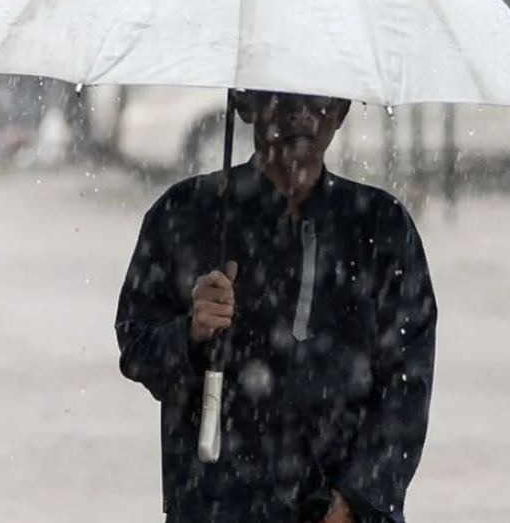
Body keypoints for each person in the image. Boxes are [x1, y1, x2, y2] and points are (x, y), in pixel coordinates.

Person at [115, 90, 438, 523]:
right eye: (284, 98)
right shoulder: (184, 214)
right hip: (215, 505)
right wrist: (191, 333)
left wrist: (355, 501)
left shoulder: (382, 227)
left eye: (320, 100)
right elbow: (137, 349)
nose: (302, 116)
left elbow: (407, 384)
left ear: (342, 110)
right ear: (245, 104)